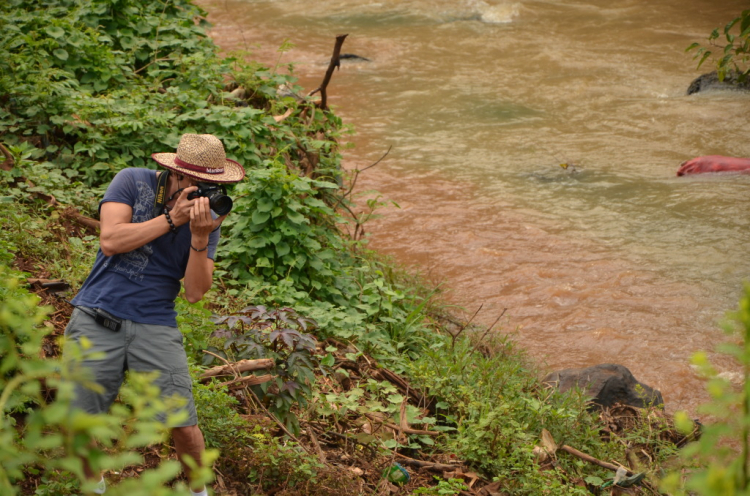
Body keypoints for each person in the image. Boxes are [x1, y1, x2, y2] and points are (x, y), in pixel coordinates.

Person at [64, 133, 245, 495]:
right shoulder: (132, 180)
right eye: (196, 184)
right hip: (97, 313)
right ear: (173, 173)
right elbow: (111, 240)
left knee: (183, 424)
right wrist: (170, 219)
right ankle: (94, 489)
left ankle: (198, 492)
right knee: (79, 423)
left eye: (211, 186)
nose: (202, 193)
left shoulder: (209, 218)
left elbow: (195, 292)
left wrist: (198, 237)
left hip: (155, 322)